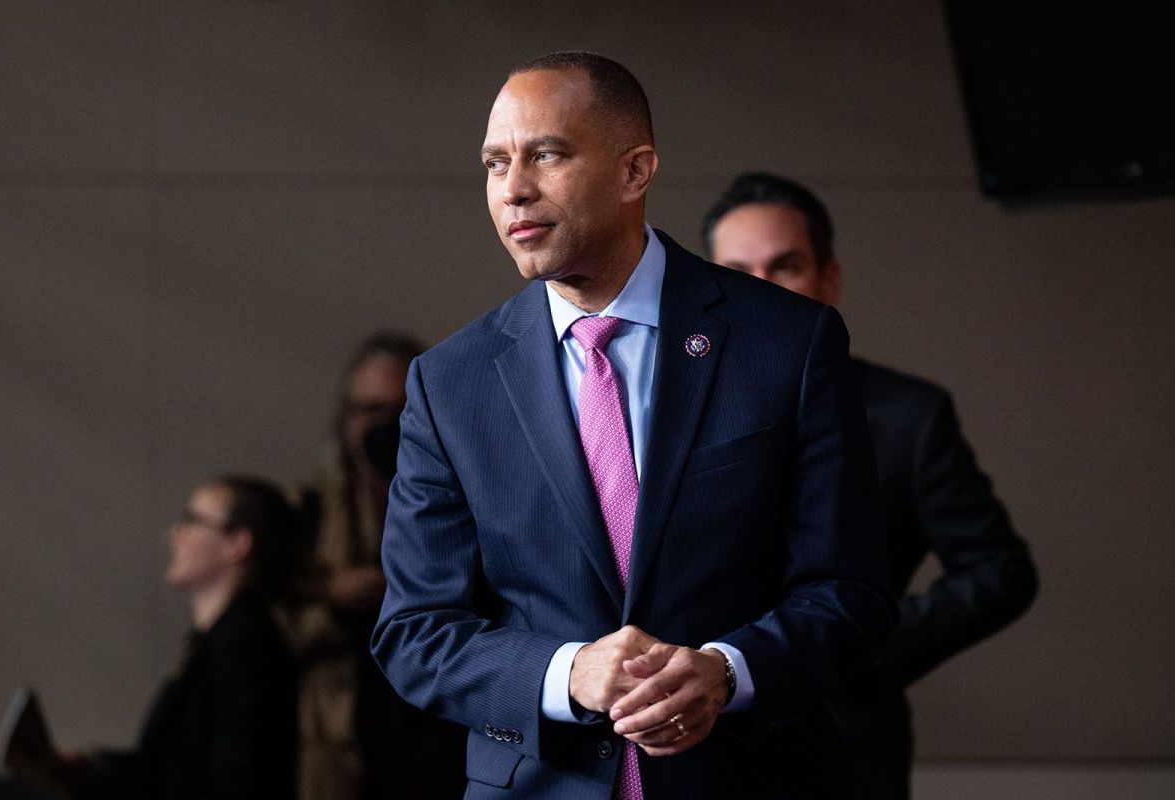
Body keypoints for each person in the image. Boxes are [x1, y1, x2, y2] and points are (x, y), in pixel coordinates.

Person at [371, 52, 897, 799]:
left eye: (546, 154)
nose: (514, 188)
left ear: (634, 171)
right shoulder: (450, 382)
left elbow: (851, 593)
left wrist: (727, 670)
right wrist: (569, 673)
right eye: (495, 163)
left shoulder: (788, 344)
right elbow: (415, 632)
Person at [702, 172, 1039, 799]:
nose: (763, 289)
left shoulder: (910, 415)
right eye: (738, 272)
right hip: (694, 745)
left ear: (829, 280)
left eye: (787, 266)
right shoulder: (654, 408)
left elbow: (999, 570)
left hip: (849, 743)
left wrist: (856, 644)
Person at [284, 332, 465, 800]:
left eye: (399, 408)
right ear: (346, 420)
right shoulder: (309, 514)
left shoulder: (465, 504)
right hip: (340, 740)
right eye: (370, 411)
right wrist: (333, 597)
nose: (386, 426)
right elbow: (275, 625)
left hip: (440, 740)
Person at [56, 476, 299, 800]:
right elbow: (173, 769)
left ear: (238, 544)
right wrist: (90, 771)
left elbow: (231, 782)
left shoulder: (244, 648)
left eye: (192, 521)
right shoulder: (218, 645)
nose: (174, 535)